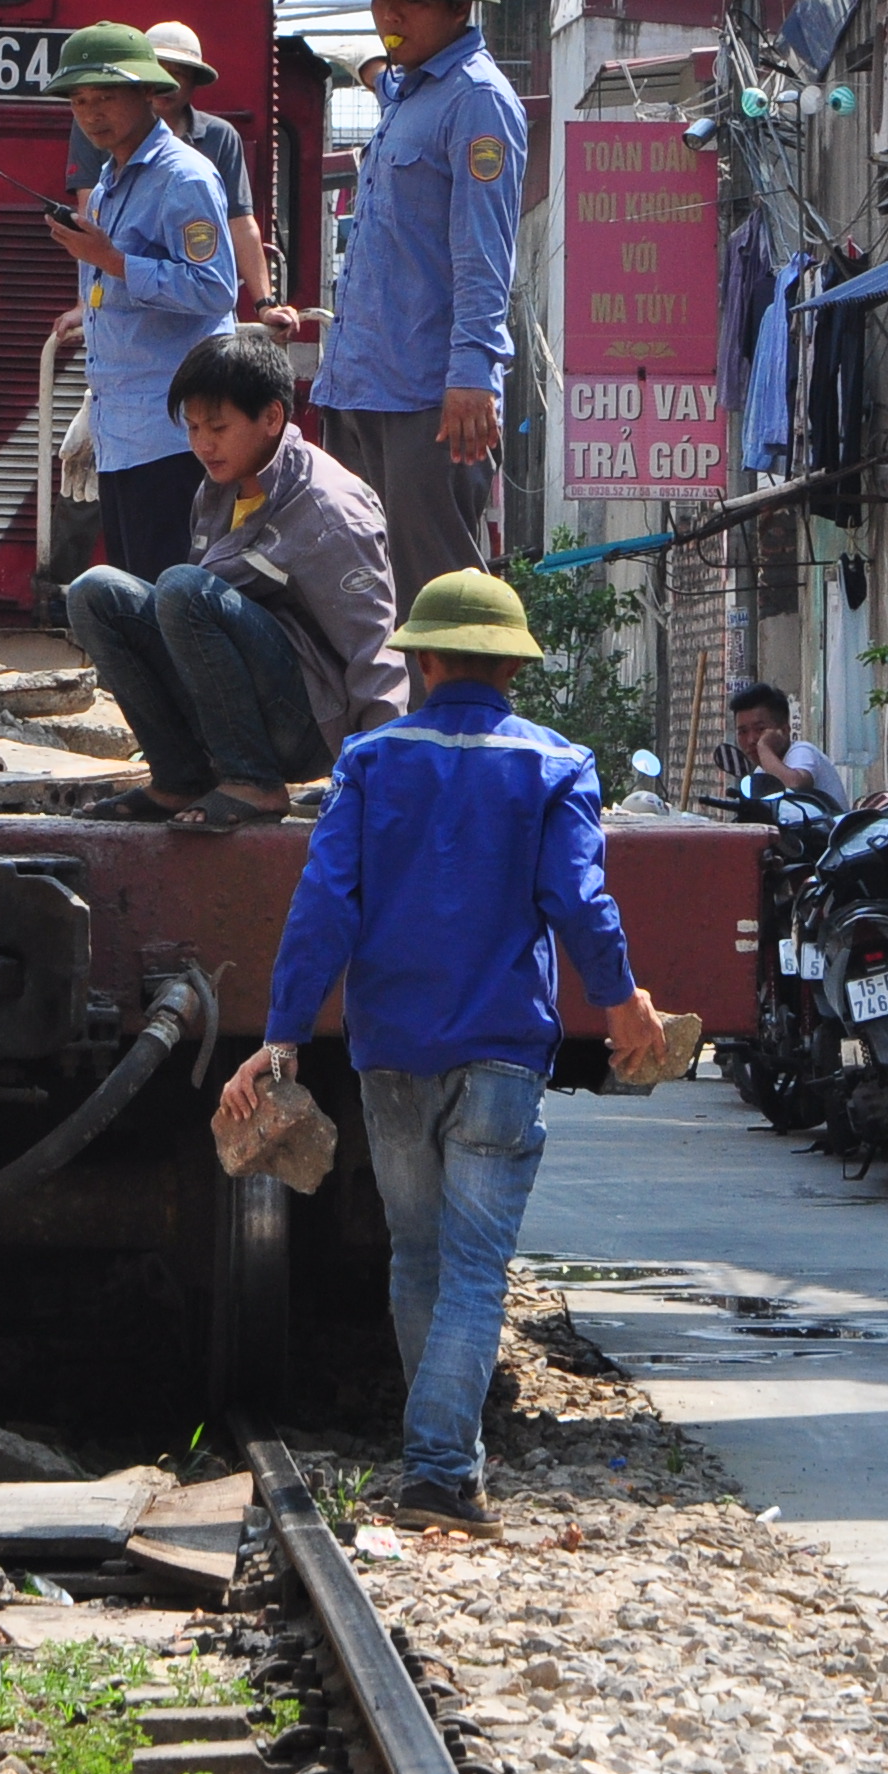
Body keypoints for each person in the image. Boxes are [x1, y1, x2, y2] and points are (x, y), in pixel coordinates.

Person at [220, 569, 671, 1527]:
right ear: (514, 668)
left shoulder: (371, 761)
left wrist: (283, 1037)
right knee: (473, 1266)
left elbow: (323, 906)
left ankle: (447, 1466)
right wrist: (621, 999)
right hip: (503, 1051)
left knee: (418, 1256)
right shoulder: (555, 765)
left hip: (391, 1053)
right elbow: (578, 898)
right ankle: (436, 1472)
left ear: (422, 660)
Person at [65, 327, 403, 832]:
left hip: (309, 724)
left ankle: (254, 782)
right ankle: (179, 778)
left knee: (184, 589)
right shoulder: (220, 487)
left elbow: (374, 648)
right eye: (194, 428)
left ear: (272, 418)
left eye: (218, 428)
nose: (203, 444)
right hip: (245, 701)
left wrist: (378, 777)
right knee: (95, 593)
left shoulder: (330, 509)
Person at [274, 0, 522, 597]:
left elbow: (484, 253)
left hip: (431, 398)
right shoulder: (412, 91)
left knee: (436, 595)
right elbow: (386, 79)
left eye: (406, 2)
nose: (388, 16)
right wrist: (368, 66)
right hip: (360, 386)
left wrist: (472, 374)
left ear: (457, 6)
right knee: (362, 594)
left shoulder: (477, 102)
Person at [45, 21, 238, 581]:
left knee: (168, 590)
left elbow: (215, 288)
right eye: (79, 100)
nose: (91, 113)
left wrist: (113, 261)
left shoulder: (184, 177)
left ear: (147, 93)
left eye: (105, 96)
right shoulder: (110, 181)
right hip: (123, 432)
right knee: (135, 592)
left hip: (175, 434)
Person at [68, 21, 274, 313]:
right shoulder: (100, 135)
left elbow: (238, 224)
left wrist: (264, 302)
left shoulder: (200, 159)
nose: (91, 115)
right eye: (80, 101)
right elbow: (89, 221)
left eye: (178, 73)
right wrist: (86, 305)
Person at [727, 680, 841, 801]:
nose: (751, 740)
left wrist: (763, 747)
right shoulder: (760, 772)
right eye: (743, 732)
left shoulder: (802, 751)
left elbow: (794, 787)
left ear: (784, 730)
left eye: (760, 729)